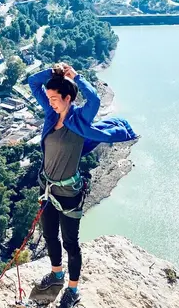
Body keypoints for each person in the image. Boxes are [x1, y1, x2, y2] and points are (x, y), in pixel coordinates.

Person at [27, 62, 138, 308]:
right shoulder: (51, 115)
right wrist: (53, 73)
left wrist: (75, 76)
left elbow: (94, 100)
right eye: (49, 98)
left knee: (70, 243)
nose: (50, 103)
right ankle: (56, 274)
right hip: (47, 188)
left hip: (68, 192)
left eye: (55, 99)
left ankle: (73, 290)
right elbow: (32, 83)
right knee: (49, 235)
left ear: (68, 98)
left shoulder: (78, 120)